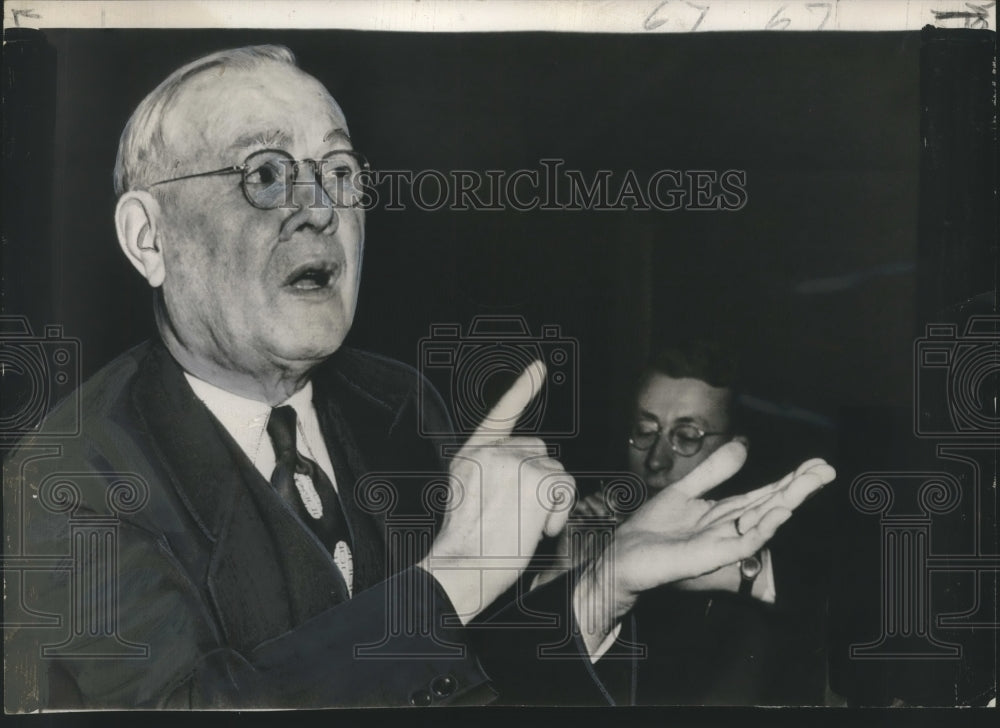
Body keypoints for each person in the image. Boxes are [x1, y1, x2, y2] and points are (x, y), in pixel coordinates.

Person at [2, 46, 834, 711]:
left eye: (339, 171)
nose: (320, 208)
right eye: (263, 174)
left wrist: (603, 584)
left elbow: (457, 674)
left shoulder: (396, 404)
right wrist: (457, 576)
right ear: (149, 238)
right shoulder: (63, 481)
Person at [547, 341, 829, 704]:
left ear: (733, 449)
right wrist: (562, 575)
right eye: (645, 430)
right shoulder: (583, 529)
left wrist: (744, 577)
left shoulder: (777, 577)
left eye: (686, 436)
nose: (655, 460)